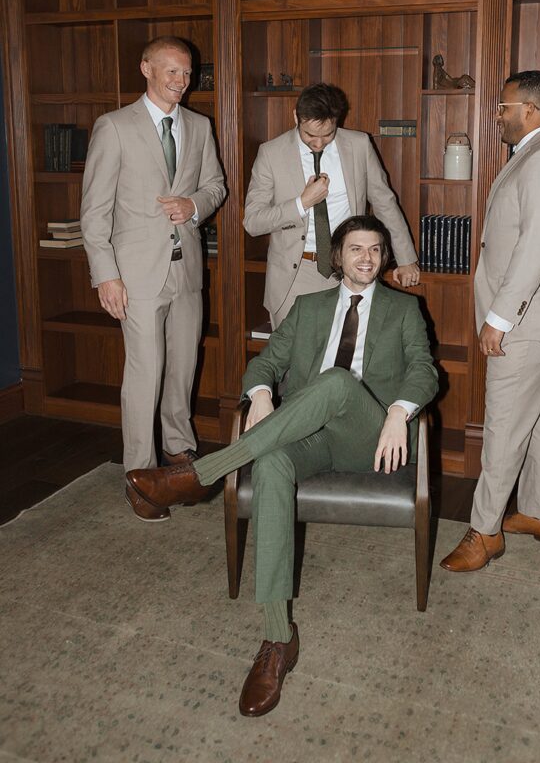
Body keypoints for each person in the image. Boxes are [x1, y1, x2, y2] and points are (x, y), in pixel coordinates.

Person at [126, 215, 438, 716]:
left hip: (370, 436)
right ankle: (277, 640)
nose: (366, 258)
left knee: (337, 382)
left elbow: (424, 368)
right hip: (307, 433)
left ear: (384, 257)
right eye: (356, 249)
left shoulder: (405, 310)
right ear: (337, 258)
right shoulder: (310, 307)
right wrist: (262, 393)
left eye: (375, 250)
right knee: (270, 462)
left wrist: (400, 411)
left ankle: (199, 476)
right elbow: (265, 362)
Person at [440, 71, 540, 573]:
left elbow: (534, 251)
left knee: (504, 423)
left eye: (503, 107)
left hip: (530, 319)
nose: (498, 115)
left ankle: (484, 532)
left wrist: (499, 319)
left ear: (529, 110)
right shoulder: (538, 153)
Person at [80, 36, 226, 522]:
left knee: (183, 366)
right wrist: (107, 276)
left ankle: (180, 455)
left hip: (187, 271)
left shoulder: (200, 127)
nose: (181, 82)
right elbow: (94, 213)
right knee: (145, 374)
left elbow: (216, 187)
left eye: (186, 74)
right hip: (136, 276)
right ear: (146, 68)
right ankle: (140, 476)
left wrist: (194, 205)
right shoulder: (114, 127)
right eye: (172, 72)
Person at [243, 83, 420, 329]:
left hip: (350, 271)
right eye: (309, 135)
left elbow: (384, 202)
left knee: (346, 361)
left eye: (327, 135)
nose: (318, 143)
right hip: (294, 276)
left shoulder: (359, 145)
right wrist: (302, 203)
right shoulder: (271, 153)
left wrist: (406, 258)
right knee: (296, 364)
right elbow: (253, 221)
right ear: (296, 117)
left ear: (337, 120)